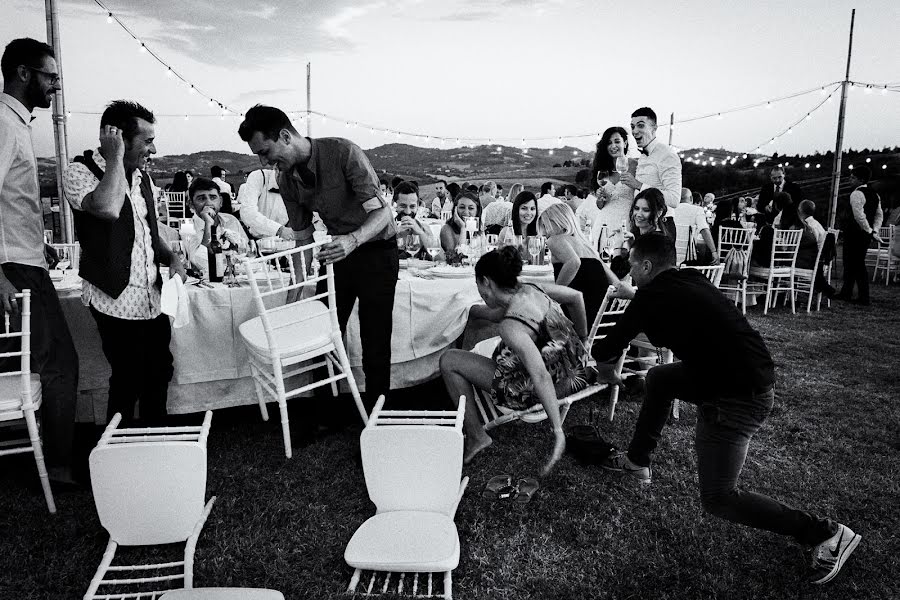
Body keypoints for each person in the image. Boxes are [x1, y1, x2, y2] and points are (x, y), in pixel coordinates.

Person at [591, 233, 860, 586]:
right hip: (748, 376)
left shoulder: (650, 298)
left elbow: (606, 350)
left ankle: (824, 533)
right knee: (660, 378)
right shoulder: (689, 278)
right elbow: (657, 305)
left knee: (719, 498)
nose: (630, 274)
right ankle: (638, 462)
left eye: (632, 266)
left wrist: (607, 374)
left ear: (646, 265)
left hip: (737, 397)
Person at [238, 105, 398, 406]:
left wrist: (353, 241)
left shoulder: (344, 153)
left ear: (285, 136)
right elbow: (302, 237)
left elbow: (382, 212)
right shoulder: (285, 179)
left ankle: (379, 413)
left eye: (266, 151)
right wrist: (296, 287)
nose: (264, 161)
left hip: (377, 250)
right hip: (339, 254)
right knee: (323, 327)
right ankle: (326, 411)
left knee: (375, 339)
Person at [63, 100, 187, 426]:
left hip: (150, 296)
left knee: (160, 370)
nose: (153, 148)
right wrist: (114, 158)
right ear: (117, 137)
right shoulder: (79, 172)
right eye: (147, 141)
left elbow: (147, 232)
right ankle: (116, 450)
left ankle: (153, 438)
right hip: (113, 297)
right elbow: (107, 209)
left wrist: (172, 257)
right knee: (128, 377)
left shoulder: (143, 178)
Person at [0, 37, 79, 485]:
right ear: (24, 73)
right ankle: (59, 466)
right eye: (51, 76)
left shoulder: (17, 123)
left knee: (43, 362)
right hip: (15, 267)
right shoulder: (4, 124)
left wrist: (40, 239)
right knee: (60, 363)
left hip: (26, 256)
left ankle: (48, 453)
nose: (57, 86)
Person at [439, 246, 590, 473]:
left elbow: (540, 375)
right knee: (495, 349)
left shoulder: (511, 327)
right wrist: (583, 339)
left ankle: (477, 436)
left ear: (486, 282)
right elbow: (577, 297)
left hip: (537, 387)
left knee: (449, 360)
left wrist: (558, 431)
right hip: (575, 371)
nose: (478, 289)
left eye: (478, 284)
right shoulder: (532, 289)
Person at [538, 203, 609, 325]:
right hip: (600, 322)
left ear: (558, 222)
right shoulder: (586, 245)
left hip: (577, 319)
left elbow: (573, 262)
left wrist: (554, 297)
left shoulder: (555, 239)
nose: (544, 232)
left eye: (545, 225)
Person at [620, 107, 681, 239]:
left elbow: (674, 199)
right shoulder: (643, 155)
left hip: (660, 226)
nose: (635, 131)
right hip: (640, 224)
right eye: (632, 126)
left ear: (654, 128)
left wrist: (638, 185)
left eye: (640, 126)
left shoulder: (667, 154)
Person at [836, 166, 882, 306]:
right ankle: (848, 292)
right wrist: (874, 230)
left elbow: (858, 215)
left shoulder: (856, 194)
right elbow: (879, 215)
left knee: (853, 263)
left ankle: (861, 296)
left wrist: (869, 230)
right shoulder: (875, 194)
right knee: (854, 264)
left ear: (860, 179)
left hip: (855, 233)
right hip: (865, 234)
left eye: (852, 177)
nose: (850, 179)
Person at [185, 177, 249, 277]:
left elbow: (246, 252)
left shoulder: (231, 220)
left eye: (213, 197)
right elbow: (201, 264)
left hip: (237, 277)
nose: (208, 203)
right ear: (191, 204)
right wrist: (208, 225)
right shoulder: (187, 227)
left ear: (220, 201)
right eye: (201, 198)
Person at [589, 126, 638, 252]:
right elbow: (601, 206)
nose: (613, 146)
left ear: (625, 143)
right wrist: (600, 198)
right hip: (604, 221)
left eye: (617, 141)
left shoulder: (635, 166)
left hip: (626, 221)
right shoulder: (603, 169)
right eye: (609, 143)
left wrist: (635, 183)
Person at [236, 168, 290, 239]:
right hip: (252, 239)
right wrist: (279, 230)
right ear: (276, 168)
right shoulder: (258, 177)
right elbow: (247, 213)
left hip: (282, 242)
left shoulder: (296, 186)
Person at [673, 187, 718, 263]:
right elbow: (704, 230)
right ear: (691, 198)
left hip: (671, 254)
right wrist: (713, 251)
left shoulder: (670, 209)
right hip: (688, 256)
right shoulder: (697, 210)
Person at [393, 181, 436, 252]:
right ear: (394, 204)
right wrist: (394, 234)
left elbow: (441, 258)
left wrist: (420, 233)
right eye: (403, 206)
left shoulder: (424, 228)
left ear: (418, 206)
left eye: (412, 206)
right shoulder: (385, 231)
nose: (408, 212)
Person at [622, 188, 668, 255]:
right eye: (636, 208)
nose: (639, 214)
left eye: (646, 210)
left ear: (659, 213)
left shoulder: (657, 242)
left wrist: (617, 248)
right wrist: (632, 243)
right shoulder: (640, 236)